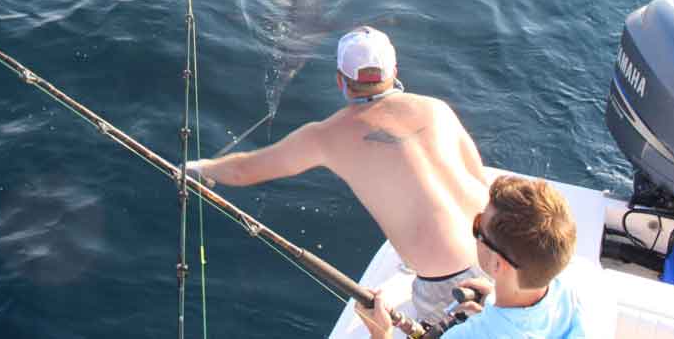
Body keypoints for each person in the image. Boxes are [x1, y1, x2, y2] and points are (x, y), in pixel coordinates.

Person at [187, 26, 489, 322]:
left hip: (451, 287)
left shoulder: (326, 136)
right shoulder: (438, 109)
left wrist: (200, 168)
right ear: (394, 70)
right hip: (505, 251)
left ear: (340, 81)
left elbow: (244, 170)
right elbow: (479, 179)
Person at [358, 175, 603, 338]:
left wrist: (380, 332)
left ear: (498, 264)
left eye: (478, 227)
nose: (474, 232)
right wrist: (493, 299)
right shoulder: (570, 292)